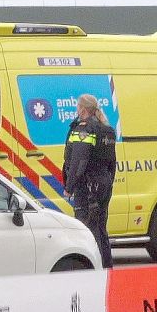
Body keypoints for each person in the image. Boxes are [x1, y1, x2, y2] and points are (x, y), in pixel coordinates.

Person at [62, 94, 116, 268]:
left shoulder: (84, 129)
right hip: (104, 184)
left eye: (77, 107)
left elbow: (79, 161)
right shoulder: (107, 129)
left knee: (87, 231)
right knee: (101, 229)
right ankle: (108, 270)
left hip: (87, 186)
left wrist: (69, 187)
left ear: (83, 109)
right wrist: (108, 183)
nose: (76, 110)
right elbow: (112, 162)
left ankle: (95, 273)